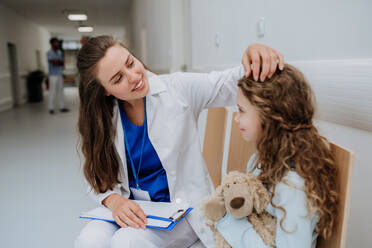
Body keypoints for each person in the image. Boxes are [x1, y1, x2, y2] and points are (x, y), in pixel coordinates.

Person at [74, 35, 284, 248]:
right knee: (89, 240)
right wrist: (115, 201)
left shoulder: (177, 89)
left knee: (127, 241)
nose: (134, 76)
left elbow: (230, 83)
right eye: (118, 78)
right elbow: (95, 173)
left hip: (181, 211)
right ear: (105, 91)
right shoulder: (102, 118)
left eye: (130, 63)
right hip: (133, 208)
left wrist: (254, 53)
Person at [215, 64, 338, 247]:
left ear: (268, 116)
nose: (236, 118)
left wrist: (225, 223)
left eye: (241, 110)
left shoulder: (293, 185)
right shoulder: (261, 160)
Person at [47, 37, 69, 114]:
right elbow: (54, 62)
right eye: (56, 42)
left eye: (58, 43)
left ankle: (61, 107)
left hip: (59, 74)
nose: (57, 44)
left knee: (60, 91)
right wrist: (58, 62)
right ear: (52, 43)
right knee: (52, 91)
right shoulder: (49, 52)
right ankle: (51, 108)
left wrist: (58, 62)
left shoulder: (59, 52)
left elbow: (62, 63)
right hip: (53, 75)